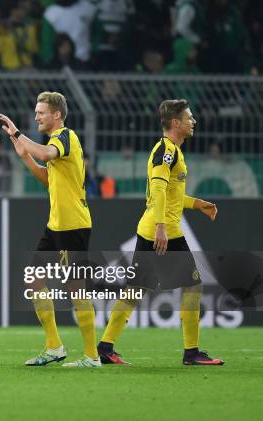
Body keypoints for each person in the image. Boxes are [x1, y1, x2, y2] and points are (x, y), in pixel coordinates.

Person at [97, 99, 224, 366]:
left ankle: (105, 347)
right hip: (163, 232)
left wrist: (197, 203)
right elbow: (157, 189)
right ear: (175, 123)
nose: (194, 121)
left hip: (153, 229)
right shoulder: (167, 151)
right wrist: (161, 228)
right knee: (193, 285)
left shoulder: (171, 150)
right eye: (189, 117)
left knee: (135, 291)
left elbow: (171, 194)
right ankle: (191, 353)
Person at [0, 91, 100, 368]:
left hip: (73, 226)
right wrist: (25, 157)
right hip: (56, 224)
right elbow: (48, 178)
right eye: (36, 111)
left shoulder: (65, 137)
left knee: (76, 289)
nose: (36, 116)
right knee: (33, 278)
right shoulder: (56, 144)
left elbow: (45, 153)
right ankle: (54, 346)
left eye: (41, 112)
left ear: (57, 114)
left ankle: (92, 356)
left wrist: (19, 135)